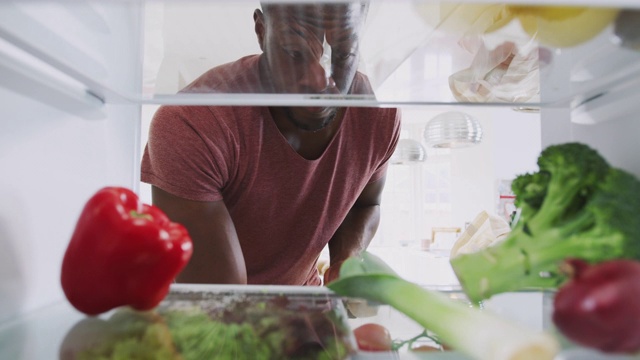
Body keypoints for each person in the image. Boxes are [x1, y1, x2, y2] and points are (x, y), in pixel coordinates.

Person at [140, 1, 401, 286]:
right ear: (262, 31)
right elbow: (221, 297)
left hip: (305, 304)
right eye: (295, 52)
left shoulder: (377, 118)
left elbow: (365, 204)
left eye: (343, 53)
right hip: (217, 318)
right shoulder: (194, 123)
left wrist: (347, 259)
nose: (321, 82)